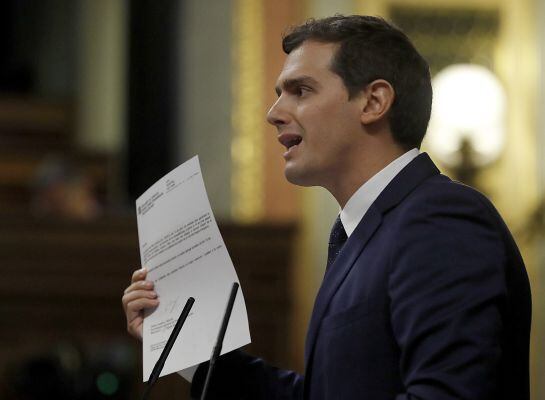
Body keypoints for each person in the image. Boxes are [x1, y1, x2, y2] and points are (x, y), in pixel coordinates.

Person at [122, 15, 531, 399]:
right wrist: (190, 350)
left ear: (373, 102)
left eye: (300, 90)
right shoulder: (367, 231)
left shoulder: (441, 219)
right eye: (279, 94)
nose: (274, 113)